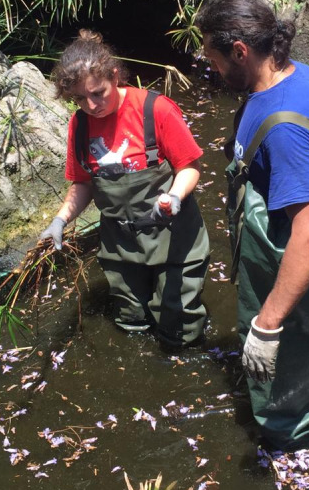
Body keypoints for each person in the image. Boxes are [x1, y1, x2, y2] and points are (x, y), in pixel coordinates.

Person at [196, 0, 309, 451]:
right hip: (270, 240)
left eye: (215, 58)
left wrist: (267, 324)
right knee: (277, 356)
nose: (214, 70)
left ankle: (289, 441)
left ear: (240, 51)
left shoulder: (286, 131)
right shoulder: (293, 74)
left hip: (295, 250)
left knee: (292, 358)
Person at [39, 30, 210, 348]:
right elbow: (84, 184)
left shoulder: (156, 110)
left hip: (173, 237)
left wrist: (174, 196)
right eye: (79, 98)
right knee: (131, 323)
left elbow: (189, 167)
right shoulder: (80, 126)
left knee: (178, 326)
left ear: (114, 76)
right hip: (121, 243)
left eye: (98, 93)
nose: (91, 105)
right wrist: (61, 219)